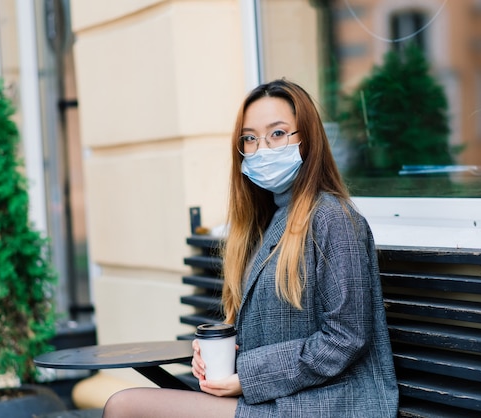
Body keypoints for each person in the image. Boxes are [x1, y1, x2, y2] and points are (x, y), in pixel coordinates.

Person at [102, 79, 399, 417]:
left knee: (125, 407)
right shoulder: (265, 221)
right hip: (277, 399)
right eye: (250, 138)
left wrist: (247, 376)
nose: (262, 149)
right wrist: (214, 353)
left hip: (328, 404)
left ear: (307, 139)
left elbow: (345, 338)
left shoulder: (332, 217)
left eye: (277, 133)